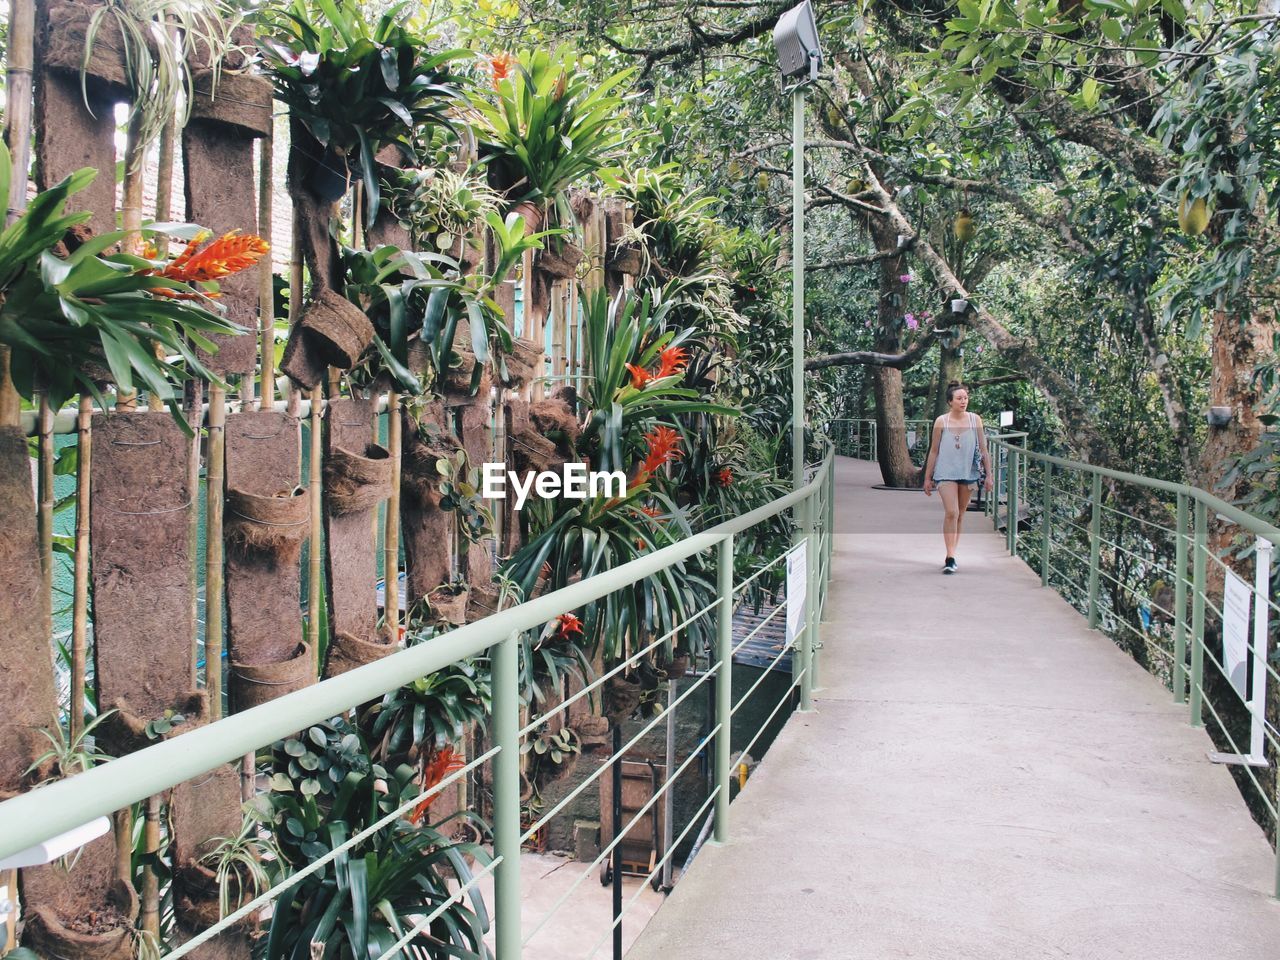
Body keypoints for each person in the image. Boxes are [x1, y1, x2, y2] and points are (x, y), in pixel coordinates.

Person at [922, 381, 994, 573]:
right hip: (945, 473)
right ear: (950, 401)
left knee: (961, 514)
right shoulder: (941, 421)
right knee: (952, 512)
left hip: (968, 472)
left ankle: (952, 553)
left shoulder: (975, 420)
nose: (963, 401)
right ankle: (950, 556)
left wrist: (989, 475)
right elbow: (934, 451)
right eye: (959, 398)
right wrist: (927, 478)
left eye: (966, 398)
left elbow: (984, 449)